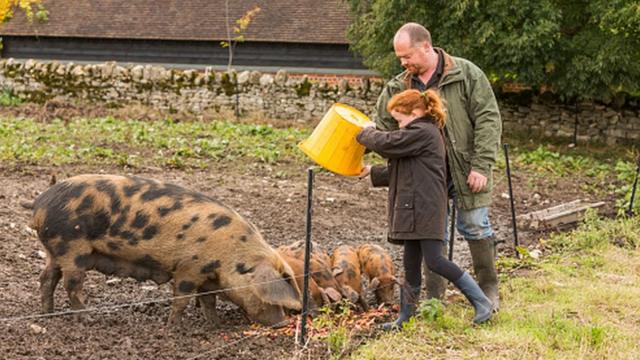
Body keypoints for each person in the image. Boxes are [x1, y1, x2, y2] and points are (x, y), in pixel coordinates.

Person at [373, 22, 502, 310]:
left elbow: (488, 119)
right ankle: (435, 300)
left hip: (465, 168)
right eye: (400, 58)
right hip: (424, 177)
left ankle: (489, 289)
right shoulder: (399, 85)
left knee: (475, 226)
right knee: (433, 234)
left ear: (426, 47)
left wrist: (480, 165)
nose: (403, 63)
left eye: (407, 56)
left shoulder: (465, 74)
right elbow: (381, 126)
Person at [357, 89, 492, 329]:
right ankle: (405, 317)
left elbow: (388, 143)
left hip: (426, 208)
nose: (398, 126)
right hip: (413, 208)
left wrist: (366, 132)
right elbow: (404, 169)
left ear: (416, 112)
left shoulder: (423, 131)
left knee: (436, 261)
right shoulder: (419, 134)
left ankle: (482, 301)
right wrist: (372, 172)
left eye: (399, 119)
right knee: (410, 265)